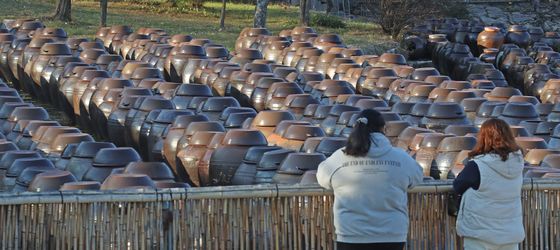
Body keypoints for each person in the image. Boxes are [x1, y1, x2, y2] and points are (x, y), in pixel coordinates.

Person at [316, 109, 423, 250]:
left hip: (351, 234)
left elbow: (322, 178)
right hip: (392, 235)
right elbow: (417, 177)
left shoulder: (340, 157)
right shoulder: (401, 157)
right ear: (384, 129)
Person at [453, 118, 525, 250]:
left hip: (480, 234)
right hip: (510, 234)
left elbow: (458, 185)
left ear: (484, 138)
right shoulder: (518, 163)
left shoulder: (477, 165)